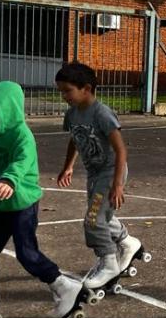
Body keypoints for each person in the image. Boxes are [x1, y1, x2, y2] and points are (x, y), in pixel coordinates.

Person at [0, 81, 84, 318]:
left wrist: (9, 180)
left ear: (7, 108)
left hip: (21, 205)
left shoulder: (21, 135)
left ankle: (64, 286)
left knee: (27, 254)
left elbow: (22, 161)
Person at [55, 63, 146, 293]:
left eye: (67, 90)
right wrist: (68, 166)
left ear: (86, 88)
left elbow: (121, 150)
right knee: (100, 215)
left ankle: (109, 263)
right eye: (61, 91)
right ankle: (128, 243)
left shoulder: (102, 113)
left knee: (93, 220)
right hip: (94, 173)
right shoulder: (72, 113)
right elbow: (74, 139)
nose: (64, 96)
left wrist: (117, 185)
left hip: (111, 171)